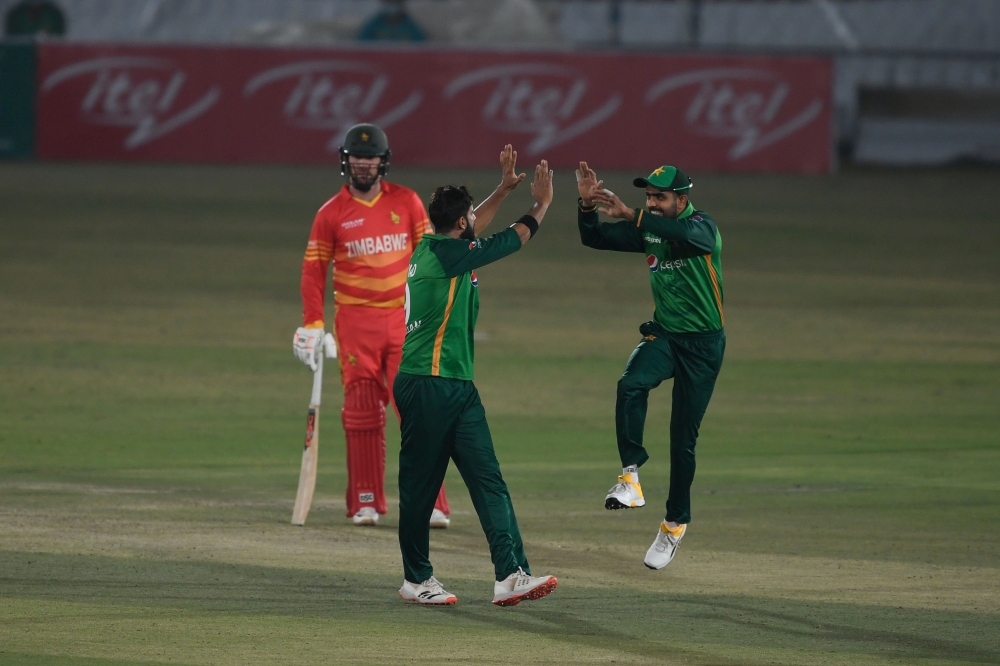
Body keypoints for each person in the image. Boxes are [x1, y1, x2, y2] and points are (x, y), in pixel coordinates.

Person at [394, 155, 558, 606]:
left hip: (457, 387)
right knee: (421, 487)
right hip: (426, 383)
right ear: (460, 221)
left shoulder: (442, 246)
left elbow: (475, 227)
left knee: (489, 480)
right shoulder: (446, 255)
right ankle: (416, 580)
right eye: (469, 218)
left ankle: (511, 575)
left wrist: (503, 190)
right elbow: (506, 240)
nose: (473, 224)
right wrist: (540, 205)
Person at [293, 123, 453, 528]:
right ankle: (366, 501)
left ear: (384, 161)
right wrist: (312, 324)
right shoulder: (331, 213)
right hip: (356, 323)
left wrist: (438, 311)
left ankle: (432, 501)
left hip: (406, 320)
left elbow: (432, 256)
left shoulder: (409, 202)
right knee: (362, 410)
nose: (365, 164)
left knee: (418, 409)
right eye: (358, 158)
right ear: (346, 162)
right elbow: (314, 270)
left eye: (372, 158)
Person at [575, 162, 725, 570]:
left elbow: (691, 238)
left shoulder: (703, 227)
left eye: (660, 198)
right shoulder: (651, 228)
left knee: (683, 440)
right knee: (630, 384)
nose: (653, 204)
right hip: (666, 336)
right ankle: (630, 478)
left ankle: (674, 526)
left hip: (704, 346)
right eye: (648, 198)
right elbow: (594, 238)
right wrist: (586, 207)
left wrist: (634, 215)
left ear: (683, 199)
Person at [357, 0, 425, 42]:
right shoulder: (372, 25)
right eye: (389, 1)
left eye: (396, 2)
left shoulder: (411, 27)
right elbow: (362, 46)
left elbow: (421, 47)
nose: (392, 4)